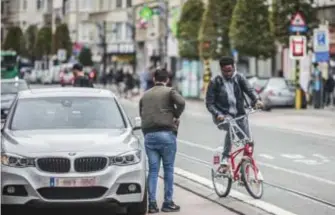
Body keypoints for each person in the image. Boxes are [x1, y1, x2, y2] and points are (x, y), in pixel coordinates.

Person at [139, 68, 185, 213]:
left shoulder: (145, 95)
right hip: (166, 134)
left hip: (149, 136)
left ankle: (152, 205)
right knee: (168, 169)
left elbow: (141, 113)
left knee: (153, 170)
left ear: (154, 79)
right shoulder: (169, 91)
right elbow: (182, 102)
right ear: (167, 80)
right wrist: (176, 115)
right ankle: (168, 202)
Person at [205, 56, 263, 171]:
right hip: (223, 117)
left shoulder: (239, 77)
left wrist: (257, 100)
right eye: (225, 71)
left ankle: (245, 165)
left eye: (230, 70)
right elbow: (209, 103)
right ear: (221, 69)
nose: (228, 73)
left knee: (249, 141)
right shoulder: (215, 81)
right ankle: (225, 159)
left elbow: (250, 90)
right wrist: (218, 114)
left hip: (239, 115)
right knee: (232, 129)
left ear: (234, 67)